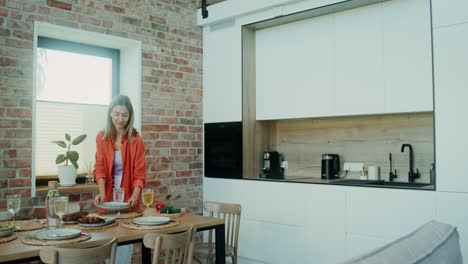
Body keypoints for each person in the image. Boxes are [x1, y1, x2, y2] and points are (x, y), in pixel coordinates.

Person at [94, 95, 147, 208]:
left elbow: (140, 173)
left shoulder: (137, 140)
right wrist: (102, 193)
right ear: (110, 113)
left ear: (130, 116)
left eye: (125, 115)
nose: (120, 119)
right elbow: (100, 168)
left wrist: (134, 196)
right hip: (108, 191)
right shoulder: (101, 137)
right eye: (117, 114)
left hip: (128, 192)